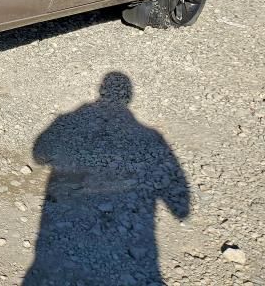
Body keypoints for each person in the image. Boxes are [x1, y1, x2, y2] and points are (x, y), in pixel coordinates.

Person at [24, 72, 189, 285]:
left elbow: (39, 155)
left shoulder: (69, 119)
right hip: (132, 242)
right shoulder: (151, 137)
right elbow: (182, 207)